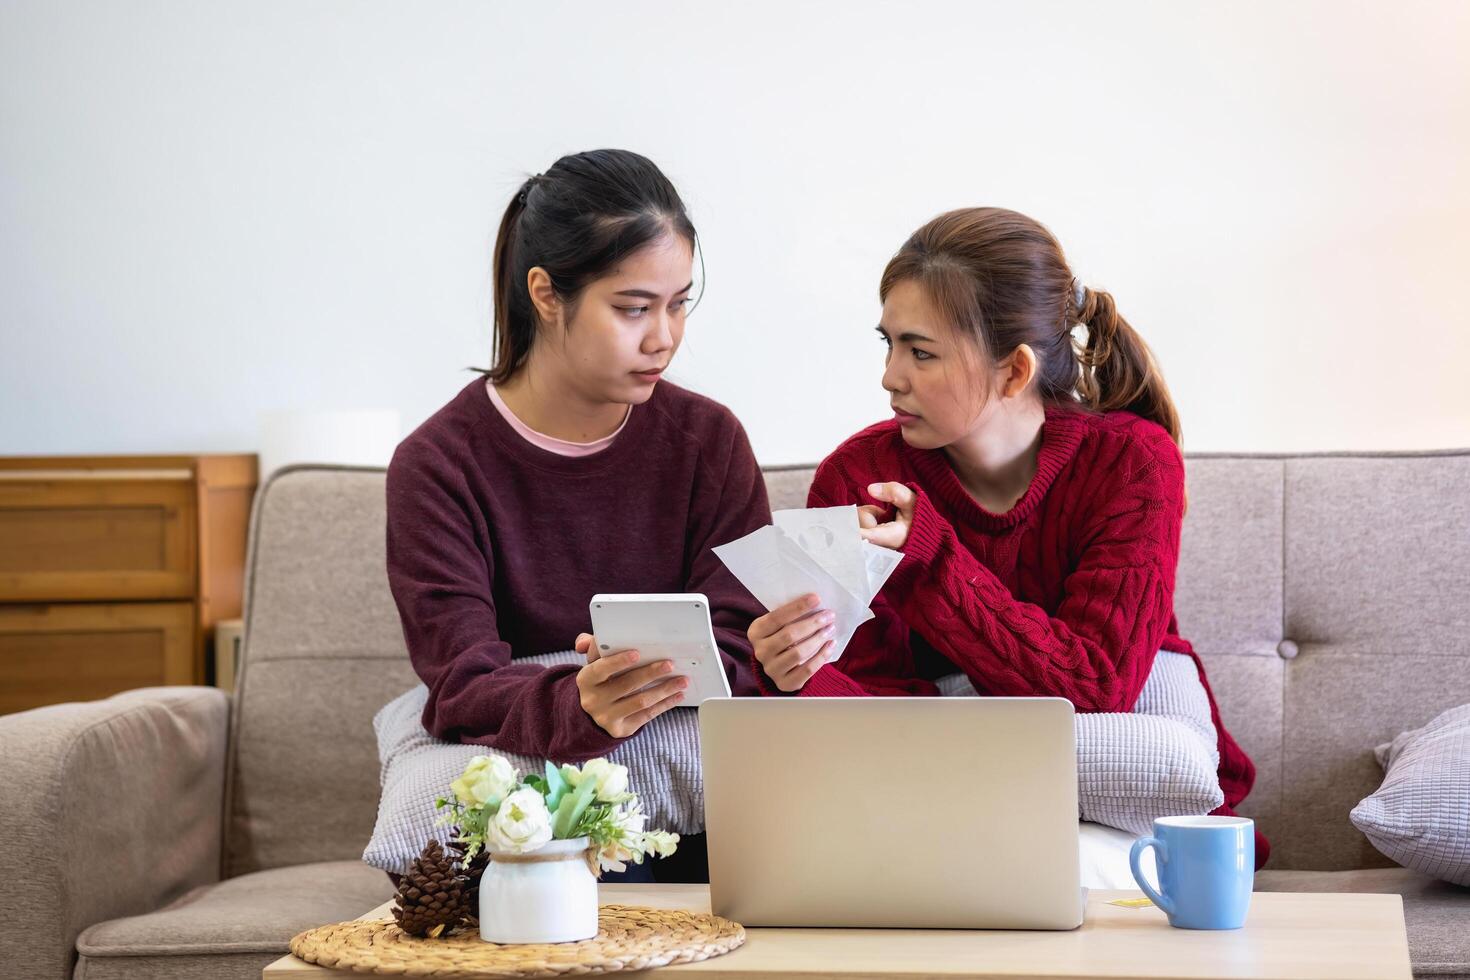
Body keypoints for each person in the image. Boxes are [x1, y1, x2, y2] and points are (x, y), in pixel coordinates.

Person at [746, 207, 1267, 867]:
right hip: (947, 757)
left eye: (920, 351)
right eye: (888, 344)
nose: (890, 376)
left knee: (1156, 767)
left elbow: (1097, 685)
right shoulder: (860, 474)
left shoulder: (1134, 462)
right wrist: (796, 677)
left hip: (1100, 722)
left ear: (1013, 372)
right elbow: (871, 711)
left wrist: (931, 560)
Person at [386, 149, 769, 881]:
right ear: (546, 293)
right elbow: (461, 682)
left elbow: (741, 646)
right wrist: (578, 704)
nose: (664, 336)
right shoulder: (436, 465)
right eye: (633, 308)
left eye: (679, 302)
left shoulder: (708, 441)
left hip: (693, 759)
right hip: (541, 760)